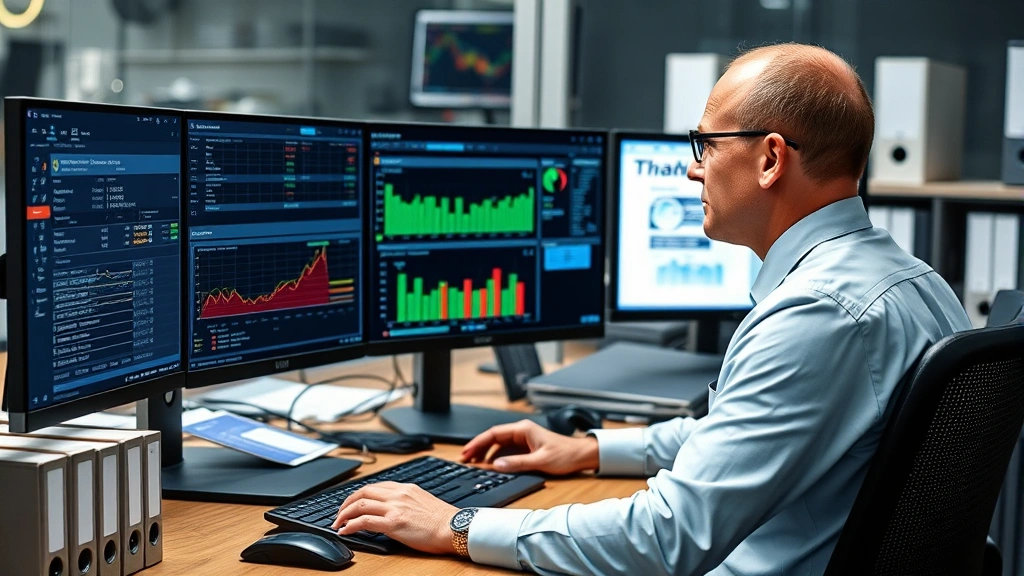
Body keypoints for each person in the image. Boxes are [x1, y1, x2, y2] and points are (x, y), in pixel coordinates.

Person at [330, 42, 972, 574]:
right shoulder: (912, 283)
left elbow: (670, 538)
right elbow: (747, 437)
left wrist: (458, 525)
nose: (693, 170)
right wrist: (589, 450)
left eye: (707, 145)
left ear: (771, 158)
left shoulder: (816, 314)